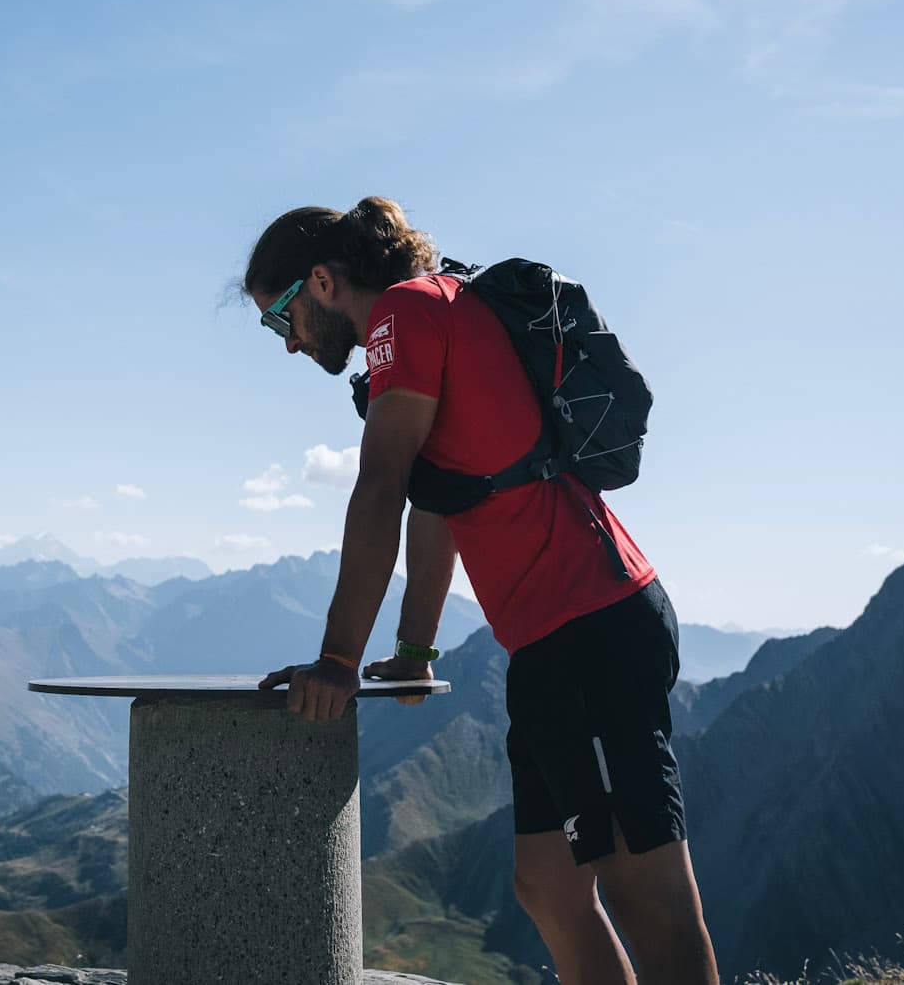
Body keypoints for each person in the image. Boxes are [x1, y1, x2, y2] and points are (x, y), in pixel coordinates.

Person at [246, 196, 719, 985]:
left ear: (323, 281)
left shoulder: (404, 310)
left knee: (652, 902)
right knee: (548, 887)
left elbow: (383, 485)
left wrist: (336, 658)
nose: (287, 345)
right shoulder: (432, 308)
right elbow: (441, 501)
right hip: (553, 639)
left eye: (279, 319)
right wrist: (413, 650)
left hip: (590, 625)